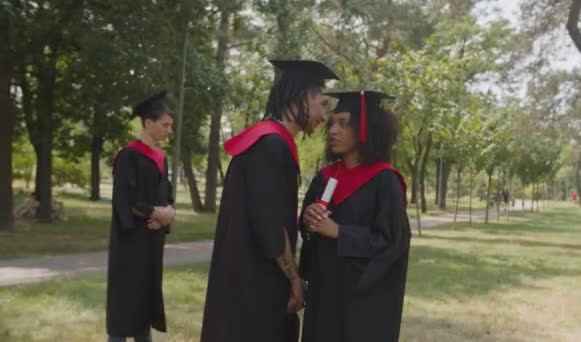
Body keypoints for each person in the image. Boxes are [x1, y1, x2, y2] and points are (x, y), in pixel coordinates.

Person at [200, 59, 338, 342]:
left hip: (241, 275)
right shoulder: (271, 146)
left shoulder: (263, 141)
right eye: (322, 104)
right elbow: (271, 228)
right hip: (255, 284)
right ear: (302, 97)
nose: (323, 117)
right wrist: (294, 279)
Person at [299, 90, 411, 342]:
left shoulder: (385, 181)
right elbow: (308, 234)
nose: (333, 131)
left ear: (366, 129)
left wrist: (339, 232)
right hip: (325, 293)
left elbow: (393, 242)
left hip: (363, 301)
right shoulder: (325, 178)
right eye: (331, 124)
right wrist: (308, 220)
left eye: (343, 123)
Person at [106, 91, 176, 342]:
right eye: (165, 125)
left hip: (151, 241)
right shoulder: (128, 156)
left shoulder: (161, 157)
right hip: (130, 242)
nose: (169, 130)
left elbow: (166, 196)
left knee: (144, 305)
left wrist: (168, 214)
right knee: (125, 305)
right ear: (148, 123)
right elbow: (124, 201)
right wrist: (155, 212)